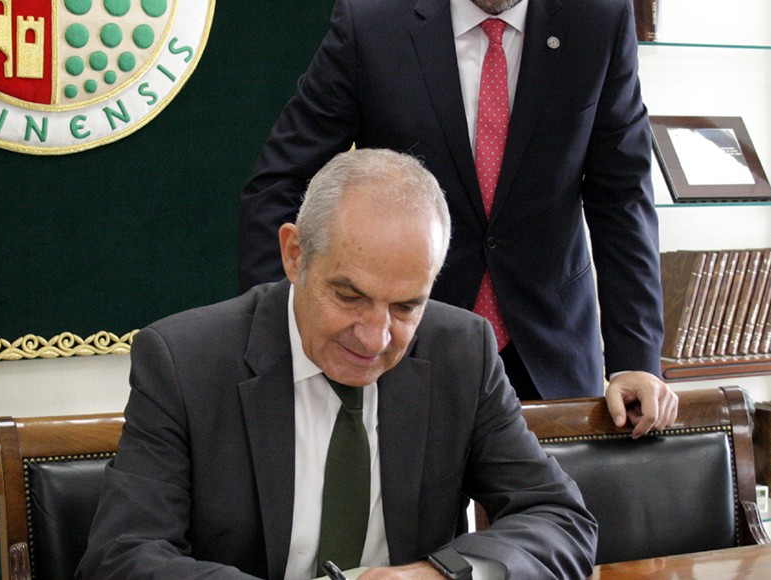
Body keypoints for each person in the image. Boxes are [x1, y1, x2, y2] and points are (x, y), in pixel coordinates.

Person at [77, 149, 597, 579]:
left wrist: (441, 574)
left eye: (406, 306)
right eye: (349, 296)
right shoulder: (185, 361)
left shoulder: (461, 351)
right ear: (294, 254)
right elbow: (122, 557)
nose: (376, 337)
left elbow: (559, 518)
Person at [237, 0, 673, 410]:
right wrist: (283, 342)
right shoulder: (372, 22)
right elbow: (281, 185)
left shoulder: (597, 17)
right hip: (398, 345)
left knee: (549, 492)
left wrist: (633, 359)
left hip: (550, 351)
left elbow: (622, 197)